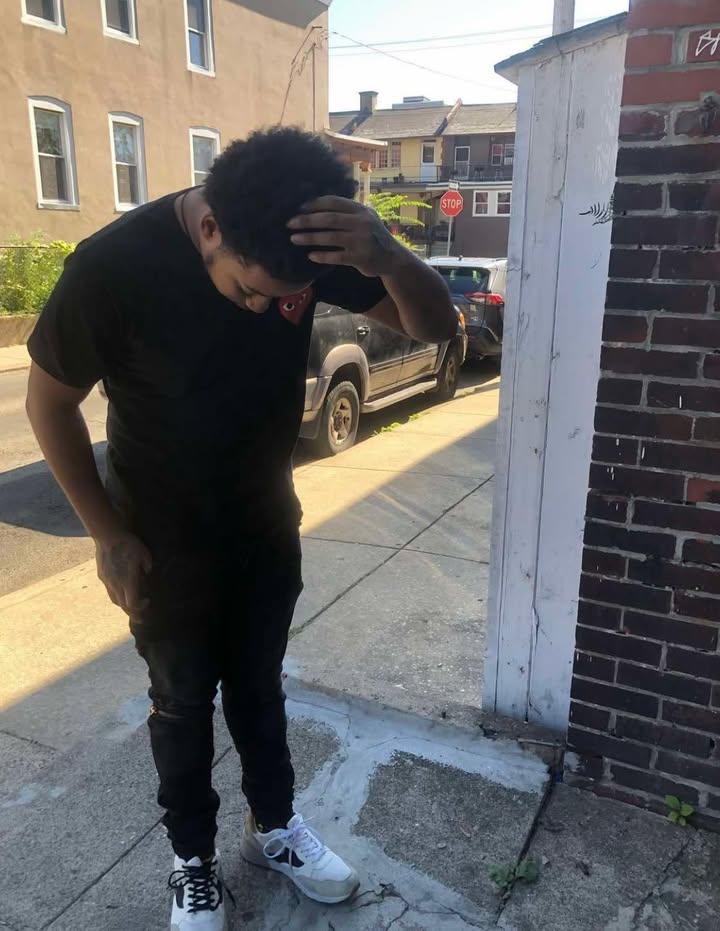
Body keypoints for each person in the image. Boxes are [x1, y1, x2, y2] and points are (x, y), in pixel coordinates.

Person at [25, 127, 456, 930]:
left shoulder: (310, 239)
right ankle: (192, 859)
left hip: (264, 518)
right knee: (182, 700)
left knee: (260, 685)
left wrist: (389, 256)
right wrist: (106, 534)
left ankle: (274, 827)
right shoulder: (111, 267)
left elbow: (434, 329)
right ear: (210, 229)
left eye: (285, 297)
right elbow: (48, 403)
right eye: (250, 291)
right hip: (160, 538)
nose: (268, 308)